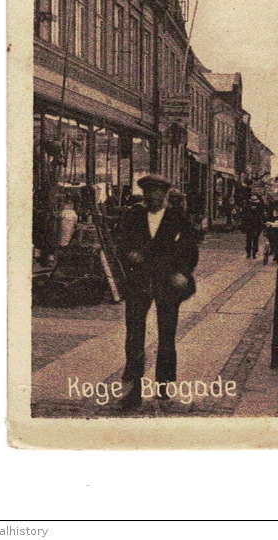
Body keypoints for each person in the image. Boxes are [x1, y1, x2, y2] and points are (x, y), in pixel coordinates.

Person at [117, 174, 199, 410]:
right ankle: (133, 390)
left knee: (167, 333)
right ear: (143, 195)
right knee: (134, 335)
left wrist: (181, 272)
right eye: (147, 193)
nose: (152, 197)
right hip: (139, 282)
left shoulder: (178, 218)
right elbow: (121, 243)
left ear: (165, 195)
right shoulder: (133, 216)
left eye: (156, 193)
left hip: (166, 283)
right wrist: (129, 254)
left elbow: (190, 250)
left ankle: (164, 384)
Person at [240, 194, 266, 260]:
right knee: (248, 240)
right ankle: (248, 253)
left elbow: (263, 217)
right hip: (249, 226)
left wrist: (262, 225)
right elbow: (243, 217)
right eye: (252, 201)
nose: (253, 203)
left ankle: (254, 253)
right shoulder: (246, 208)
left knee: (255, 240)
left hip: (257, 226)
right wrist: (243, 226)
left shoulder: (260, 208)